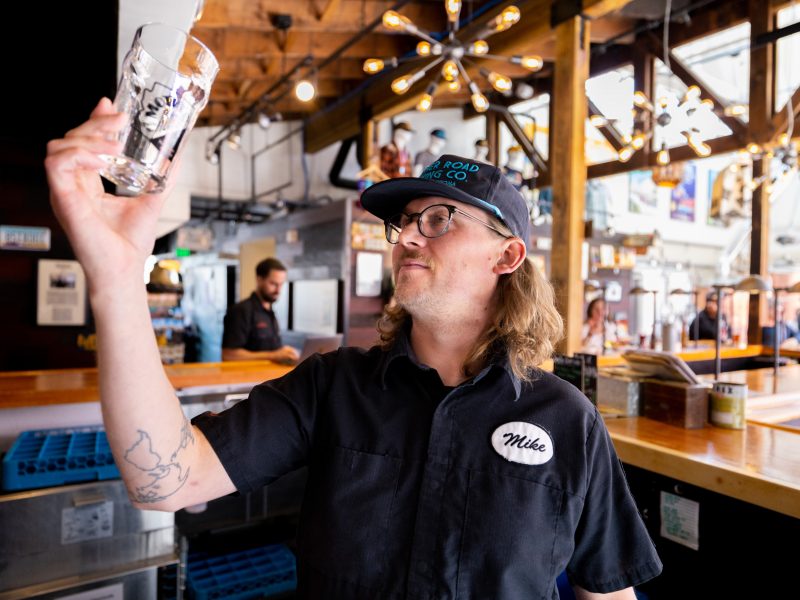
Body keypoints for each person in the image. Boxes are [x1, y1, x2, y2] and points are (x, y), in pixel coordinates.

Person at [45, 102, 661, 599]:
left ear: (507, 256)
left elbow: (605, 592)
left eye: (440, 219)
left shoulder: (567, 420)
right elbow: (166, 481)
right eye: (405, 223)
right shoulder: (333, 387)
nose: (407, 238)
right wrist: (117, 279)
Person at [221, 257, 299, 363]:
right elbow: (229, 355)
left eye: (281, 285)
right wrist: (274, 355)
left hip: (271, 376)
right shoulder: (240, 311)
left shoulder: (270, 312)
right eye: (273, 284)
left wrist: (284, 352)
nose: (278, 290)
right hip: (249, 378)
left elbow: (271, 350)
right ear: (259, 280)